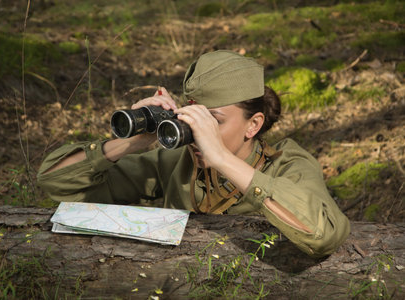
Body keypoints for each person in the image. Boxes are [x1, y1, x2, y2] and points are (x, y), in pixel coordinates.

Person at [37, 50, 350, 258]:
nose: (199, 133)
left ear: (253, 125)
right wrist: (132, 143)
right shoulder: (174, 162)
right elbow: (55, 182)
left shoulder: (288, 165)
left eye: (214, 121)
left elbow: (322, 235)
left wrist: (222, 159)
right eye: (194, 118)